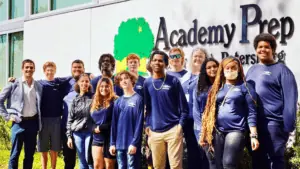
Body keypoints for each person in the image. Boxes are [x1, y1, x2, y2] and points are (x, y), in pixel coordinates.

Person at [246, 33, 298, 169]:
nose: (262, 49)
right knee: (258, 161)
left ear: (273, 50)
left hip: (274, 124)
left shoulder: (282, 70)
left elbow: (290, 99)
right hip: (255, 125)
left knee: (275, 161)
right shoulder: (252, 70)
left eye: (266, 47)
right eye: (259, 47)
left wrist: (288, 127)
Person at [200, 57, 259, 169]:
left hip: (236, 131)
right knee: (218, 165)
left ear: (239, 69)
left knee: (229, 163)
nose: (230, 70)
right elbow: (208, 112)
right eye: (227, 68)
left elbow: (252, 112)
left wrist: (254, 136)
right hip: (218, 131)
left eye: (233, 68)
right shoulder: (216, 88)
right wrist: (205, 134)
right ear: (222, 70)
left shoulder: (245, 87)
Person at [144, 50, 188, 169]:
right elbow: (148, 107)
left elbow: (184, 107)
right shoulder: (147, 83)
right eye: (155, 60)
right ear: (151, 63)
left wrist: (180, 126)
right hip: (155, 132)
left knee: (175, 166)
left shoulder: (173, 81)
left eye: (160, 60)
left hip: (173, 130)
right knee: (158, 167)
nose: (157, 63)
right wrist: (147, 125)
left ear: (166, 63)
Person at [0, 59, 43, 169]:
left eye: (31, 67)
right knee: (15, 154)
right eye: (27, 67)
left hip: (32, 124)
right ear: (22, 69)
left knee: (29, 155)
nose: (29, 69)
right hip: (18, 123)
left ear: (34, 69)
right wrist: (7, 116)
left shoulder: (38, 85)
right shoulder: (13, 84)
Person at [109, 70, 144, 169]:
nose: (124, 81)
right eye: (121, 80)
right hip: (119, 145)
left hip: (132, 145)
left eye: (126, 78)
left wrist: (134, 143)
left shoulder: (138, 99)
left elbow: (139, 124)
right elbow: (114, 124)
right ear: (119, 83)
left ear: (131, 80)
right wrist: (112, 143)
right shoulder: (118, 102)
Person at [193, 58, 219, 169]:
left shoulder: (223, 85)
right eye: (209, 67)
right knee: (211, 159)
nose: (212, 69)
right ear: (205, 70)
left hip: (220, 128)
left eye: (214, 66)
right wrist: (201, 133)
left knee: (222, 159)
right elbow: (196, 110)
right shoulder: (199, 87)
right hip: (203, 130)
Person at [62, 59, 86, 169]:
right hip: (68, 128)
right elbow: (47, 81)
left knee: (85, 158)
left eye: (79, 67)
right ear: (71, 69)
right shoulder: (64, 83)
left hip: (84, 129)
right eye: (74, 68)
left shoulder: (88, 82)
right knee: (69, 159)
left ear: (84, 69)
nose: (77, 69)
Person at [66, 73, 93, 169]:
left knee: (89, 159)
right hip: (77, 133)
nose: (84, 83)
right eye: (82, 81)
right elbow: (70, 119)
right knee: (82, 160)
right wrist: (69, 137)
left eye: (87, 81)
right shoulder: (74, 100)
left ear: (89, 83)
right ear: (78, 83)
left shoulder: (93, 98)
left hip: (90, 132)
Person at [90, 77, 118, 169]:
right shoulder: (94, 101)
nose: (104, 88)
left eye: (107, 86)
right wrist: (94, 127)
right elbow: (89, 119)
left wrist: (102, 128)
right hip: (97, 138)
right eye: (101, 86)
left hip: (109, 139)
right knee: (97, 166)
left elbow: (117, 121)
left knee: (109, 166)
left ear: (111, 87)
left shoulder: (115, 101)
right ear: (98, 87)